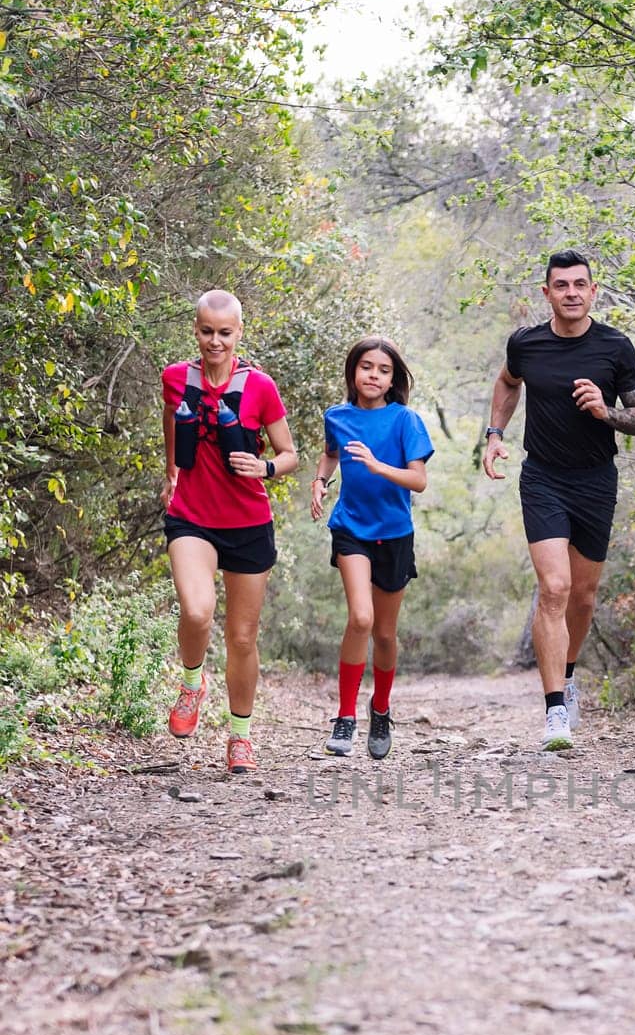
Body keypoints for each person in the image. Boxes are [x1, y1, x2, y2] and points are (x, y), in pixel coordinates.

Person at [482, 250, 635, 751]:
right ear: (548, 293)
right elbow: (507, 382)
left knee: (582, 595)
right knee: (554, 588)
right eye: (562, 286)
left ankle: (569, 673)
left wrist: (606, 412)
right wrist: (495, 433)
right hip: (542, 478)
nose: (572, 293)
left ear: (593, 291)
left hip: (596, 480)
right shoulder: (527, 344)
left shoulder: (615, 348)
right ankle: (555, 709)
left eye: (580, 284)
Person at [160, 289, 297, 775]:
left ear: (239, 332)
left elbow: (290, 454)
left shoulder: (260, 386)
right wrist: (171, 476)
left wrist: (264, 468)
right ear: (195, 329)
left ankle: (240, 737)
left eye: (224, 333)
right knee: (197, 611)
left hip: (247, 524)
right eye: (206, 331)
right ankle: (192, 683)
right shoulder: (175, 378)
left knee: (241, 639)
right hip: (192, 517)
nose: (214, 341)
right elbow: (171, 432)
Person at [310, 336, 433, 761]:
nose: (373, 376)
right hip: (352, 529)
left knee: (383, 632)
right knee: (360, 617)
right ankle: (345, 717)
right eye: (366, 367)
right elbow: (330, 454)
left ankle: (380, 708)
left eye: (383, 370)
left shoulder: (406, 421)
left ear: (393, 378)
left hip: (395, 533)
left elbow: (419, 481)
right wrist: (321, 481)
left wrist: (380, 466)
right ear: (353, 372)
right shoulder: (337, 417)